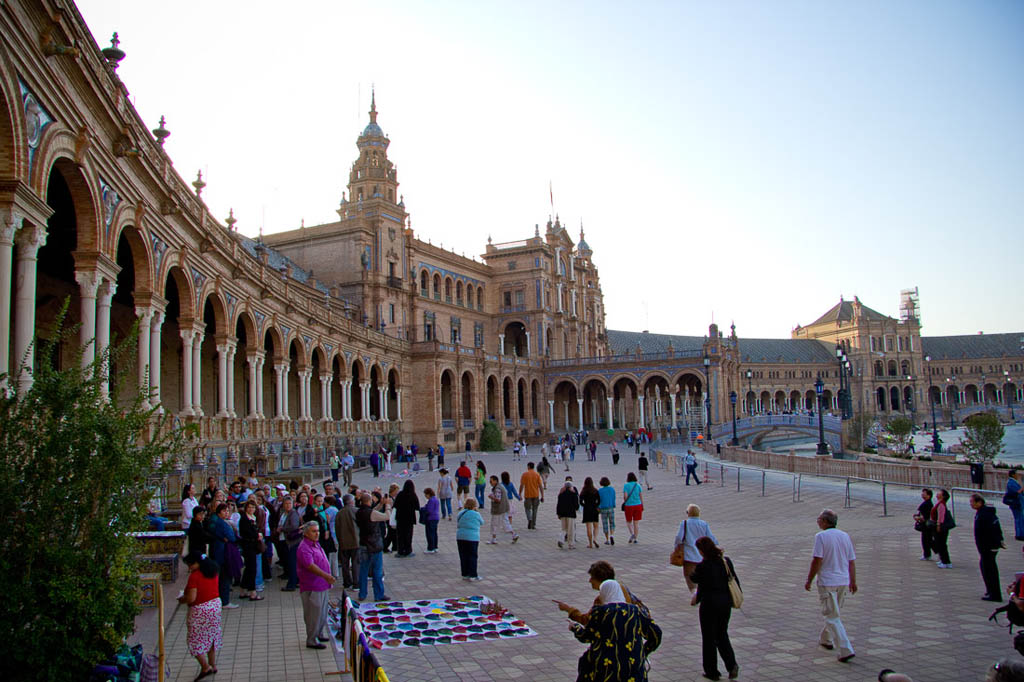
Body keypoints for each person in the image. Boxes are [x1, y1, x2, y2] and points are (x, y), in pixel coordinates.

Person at [569, 584, 662, 682]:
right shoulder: (635, 611)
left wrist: (575, 628)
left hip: (605, 671)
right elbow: (656, 635)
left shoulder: (599, 612)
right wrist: (643, 652)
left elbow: (586, 637)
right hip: (633, 670)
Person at [804, 508, 857, 663]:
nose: (817, 521)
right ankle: (826, 639)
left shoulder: (821, 537)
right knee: (834, 613)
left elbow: (817, 560)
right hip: (843, 580)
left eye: (819, 519)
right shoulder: (844, 536)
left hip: (828, 581)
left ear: (825, 522)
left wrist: (809, 579)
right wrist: (853, 580)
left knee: (831, 616)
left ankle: (845, 649)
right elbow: (851, 561)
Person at [691, 536, 740, 680]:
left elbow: (695, 579)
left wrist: (696, 599)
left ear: (702, 550)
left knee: (708, 638)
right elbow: (734, 579)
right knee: (722, 634)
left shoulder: (703, 566)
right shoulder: (726, 562)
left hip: (709, 605)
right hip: (725, 604)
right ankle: (731, 664)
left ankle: (712, 671)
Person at [178, 551, 222, 681]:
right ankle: (213, 665)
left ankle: (205, 666)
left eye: (190, 564)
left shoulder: (195, 576)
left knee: (194, 639)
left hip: (200, 610)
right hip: (215, 606)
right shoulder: (213, 570)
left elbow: (192, 598)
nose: (189, 567)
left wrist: (182, 599)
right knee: (211, 635)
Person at [297, 521, 335, 649]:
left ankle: (319, 633)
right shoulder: (304, 547)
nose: (317, 533)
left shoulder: (316, 544)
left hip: (322, 584)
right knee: (313, 613)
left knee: (322, 612)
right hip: (312, 586)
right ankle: (311, 639)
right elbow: (310, 566)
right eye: (314, 531)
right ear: (306, 533)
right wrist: (326, 575)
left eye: (318, 531)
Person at [356, 492, 392, 602]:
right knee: (377, 571)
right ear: (369, 500)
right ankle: (379, 594)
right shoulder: (371, 513)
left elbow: (373, 511)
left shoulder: (359, 512)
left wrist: (380, 504)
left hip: (363, 544)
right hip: (374, 544)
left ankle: (362, 593)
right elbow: (386, 516)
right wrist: (387, 505)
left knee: (363, 570)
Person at [676, 504, 718, 594]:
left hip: (688, 555)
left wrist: (677, 547)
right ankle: (702, 590)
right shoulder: (704, 524)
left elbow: (679, 538)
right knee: (702, 574)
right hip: (702, 554)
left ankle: (694, 593)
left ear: (688, 513)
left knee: (689, 575)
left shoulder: (685, 523)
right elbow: (710, 537)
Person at [971, 493, 1005, 601]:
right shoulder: (981, 513)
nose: (971, 504)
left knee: (990, 570)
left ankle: (995, 594)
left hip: (989, 547)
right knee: (985, 568)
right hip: (984, 547)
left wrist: (997, 542)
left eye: (973, 502)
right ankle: (990, 590)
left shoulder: (986, 514)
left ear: (979, 502)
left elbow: (994, 530)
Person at [208, 503, 239, 609]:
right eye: (224, 511)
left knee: (220, 577)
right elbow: (231, 537)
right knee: (224, 577)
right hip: (223, 553)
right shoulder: (220, 523)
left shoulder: (214, 521)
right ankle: (224, 601)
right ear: (219, 512)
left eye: (228, 511)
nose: (227, 513)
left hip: (217, 552)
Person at [238, 499, 265, 601]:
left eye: (253, 507)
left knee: (249, 568)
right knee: (252, 569)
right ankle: (252, 592)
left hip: (253, 546)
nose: (251, 509)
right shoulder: (244, 519)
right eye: (249, 507)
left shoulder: (253, 518)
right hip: (248, 546)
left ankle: (243, 589)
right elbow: (246, 532)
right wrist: (257, 535)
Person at [277, 496, 302, 591]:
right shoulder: (284, 513)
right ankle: (295, 581)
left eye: (289, 504)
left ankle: (291, 584)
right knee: (291, 563)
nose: (288, 505)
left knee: (292, 563)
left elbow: (294, 526)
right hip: (285, 540)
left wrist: (282, 529)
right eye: (286, 503)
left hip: (293, 542)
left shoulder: (293, 513)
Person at [335, 494, 360, 589]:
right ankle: (356, 582)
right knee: (355, 563)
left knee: (345, 563)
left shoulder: (339, 513)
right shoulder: (355, 511)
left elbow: (337, 528)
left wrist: (339, 539)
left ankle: (346, 582)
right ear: (351, 501)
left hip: (343, 541)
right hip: (355, 541)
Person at [456, 498, 485, 580]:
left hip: (460, 536)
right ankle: (473, 574)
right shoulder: (476, 514)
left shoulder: (461, 513)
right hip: (472, 537)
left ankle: (465, 573)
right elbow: (482, 522)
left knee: (463, 555)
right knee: (472, 555)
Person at [486, 474, 517, 544]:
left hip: (498, 510)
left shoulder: (497, 488)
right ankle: (514, 534)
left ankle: (494, 539)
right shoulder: (500, 486)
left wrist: (491, 497)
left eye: (491, 481)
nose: (490, 483)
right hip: (503, 509)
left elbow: (498, 499)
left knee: (494, 524)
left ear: (495, 481)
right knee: (505, 522)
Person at [393, 479, 420, 557]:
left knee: (400, 535)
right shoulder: (413, 495)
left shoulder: (400, 494)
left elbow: (395, 505)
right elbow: (417, 507)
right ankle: (408, 550)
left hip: (400, 518)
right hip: (409, 519)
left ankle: (400, 551)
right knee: (408, 535)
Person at [930, 488, 954, 568]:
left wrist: (938, 525)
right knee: (940, 544)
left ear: (943, 496)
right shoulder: (940, 503)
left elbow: (941, 517)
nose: (937, 494)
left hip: (941, 527)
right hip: (940, 526)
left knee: (941, 544)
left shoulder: (941, 504)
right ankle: (943, 560)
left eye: (939, 493)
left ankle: (946, 562)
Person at [519, 462, 544, 530]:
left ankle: (529, 519)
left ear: (528, 466)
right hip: (536, 495)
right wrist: (542, 496)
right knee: (535, 510)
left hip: (528, 495)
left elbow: (522, 485)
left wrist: (520, 493)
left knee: (527, 509)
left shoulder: (525, 474)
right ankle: (533, 524)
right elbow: (540, 486)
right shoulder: (537, 475)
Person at [557, 479, 580, 549]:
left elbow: (558, 505)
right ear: (570, 487)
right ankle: (571, 544)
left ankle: (561, 539)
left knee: (564, 528)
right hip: (571, 514)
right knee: (571, 529)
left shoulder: (561, 494)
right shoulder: (573, 494)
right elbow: (576, 506)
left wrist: (558, 513)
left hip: (562, 514)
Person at [580, 477, 601, 549]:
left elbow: (580, 501)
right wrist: (596, 505)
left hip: (587, 509)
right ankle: (595, 539)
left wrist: (584, 505)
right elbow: (599, 500)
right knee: (596, 526)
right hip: (594, 509)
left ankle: (590, 543)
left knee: (588, 527)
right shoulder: (595, 490)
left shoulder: (584, 491)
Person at [913, 488, 934, 561]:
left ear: (929, 495)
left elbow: (925, 516)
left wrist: (918, 518)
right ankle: (927, 554)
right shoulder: (927, 503)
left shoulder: (927, 504)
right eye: (922, 493)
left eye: (924, 494)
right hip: (926, 525)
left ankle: (928, 554)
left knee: (927, 540)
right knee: (927, 540)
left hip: (927, 525)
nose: (922, 495)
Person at [623, 472, 644, 544]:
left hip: (629, 506)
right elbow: (641, 496)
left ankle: (632, 534)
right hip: (638, 505)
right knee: (636, 523)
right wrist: (642, 505)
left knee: (628, 521)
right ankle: (635, 539)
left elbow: (625, 496)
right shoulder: (638, 485)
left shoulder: (626, 485)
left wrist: (625, 501)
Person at [500, 471, 522, 538]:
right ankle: (509, 525)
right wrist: (519, 497)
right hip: (510, 500)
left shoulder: (501, 485)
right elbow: (514, 492)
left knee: (504, 514)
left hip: (503, 501)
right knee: (510, 515)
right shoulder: (510, 484)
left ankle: (507, 526)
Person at [1005, 469, 1024, 541]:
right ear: (1013, 475)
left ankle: (1020, 533)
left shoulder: (1012, 482)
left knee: (1020, 518)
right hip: (1016, 503)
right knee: (1019, 519)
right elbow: (1017, 492)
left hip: (1018, 503)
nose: (1017, 475)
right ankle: (1020, 534)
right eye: (1016, 474)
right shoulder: (1011, 482)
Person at [420, 487, 441, 553]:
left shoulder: (431, 500)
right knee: (434, 533)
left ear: (429, 494)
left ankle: (430, 548)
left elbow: (429, 510)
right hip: (436, 518)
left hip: (431, 519)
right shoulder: (435, 499)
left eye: (426, 495)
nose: (426, 496)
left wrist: (422, 509)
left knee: (429, 534)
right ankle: (435, 546)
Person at [598, 477, 616, 545]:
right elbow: (613, 498)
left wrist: (598, 507)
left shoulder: (600, 490)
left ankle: (607, 539)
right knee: (612, 523)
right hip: (610, 507)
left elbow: (599, 500)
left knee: (605, 524)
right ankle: (612, 535)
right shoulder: (612, 489)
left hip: (603, 509)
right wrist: (613, 505)